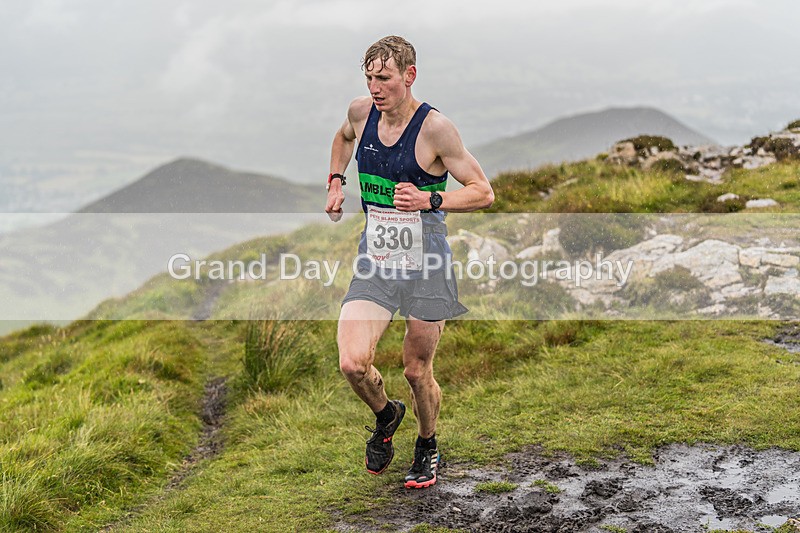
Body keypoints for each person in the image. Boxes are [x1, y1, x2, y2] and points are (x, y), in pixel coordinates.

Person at [325, 35, 493, 489]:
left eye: (385, 78)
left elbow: (483, 191)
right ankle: (386, 415)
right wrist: (336, 182)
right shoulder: (361, 113)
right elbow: (343, 138)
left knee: (417, 371)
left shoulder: (436, 129)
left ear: (409, 76)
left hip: (427, 265)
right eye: (369, 78)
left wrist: (429, 198)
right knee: (352, 363)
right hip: (377, 262)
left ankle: (427, 445)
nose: (375, 88)